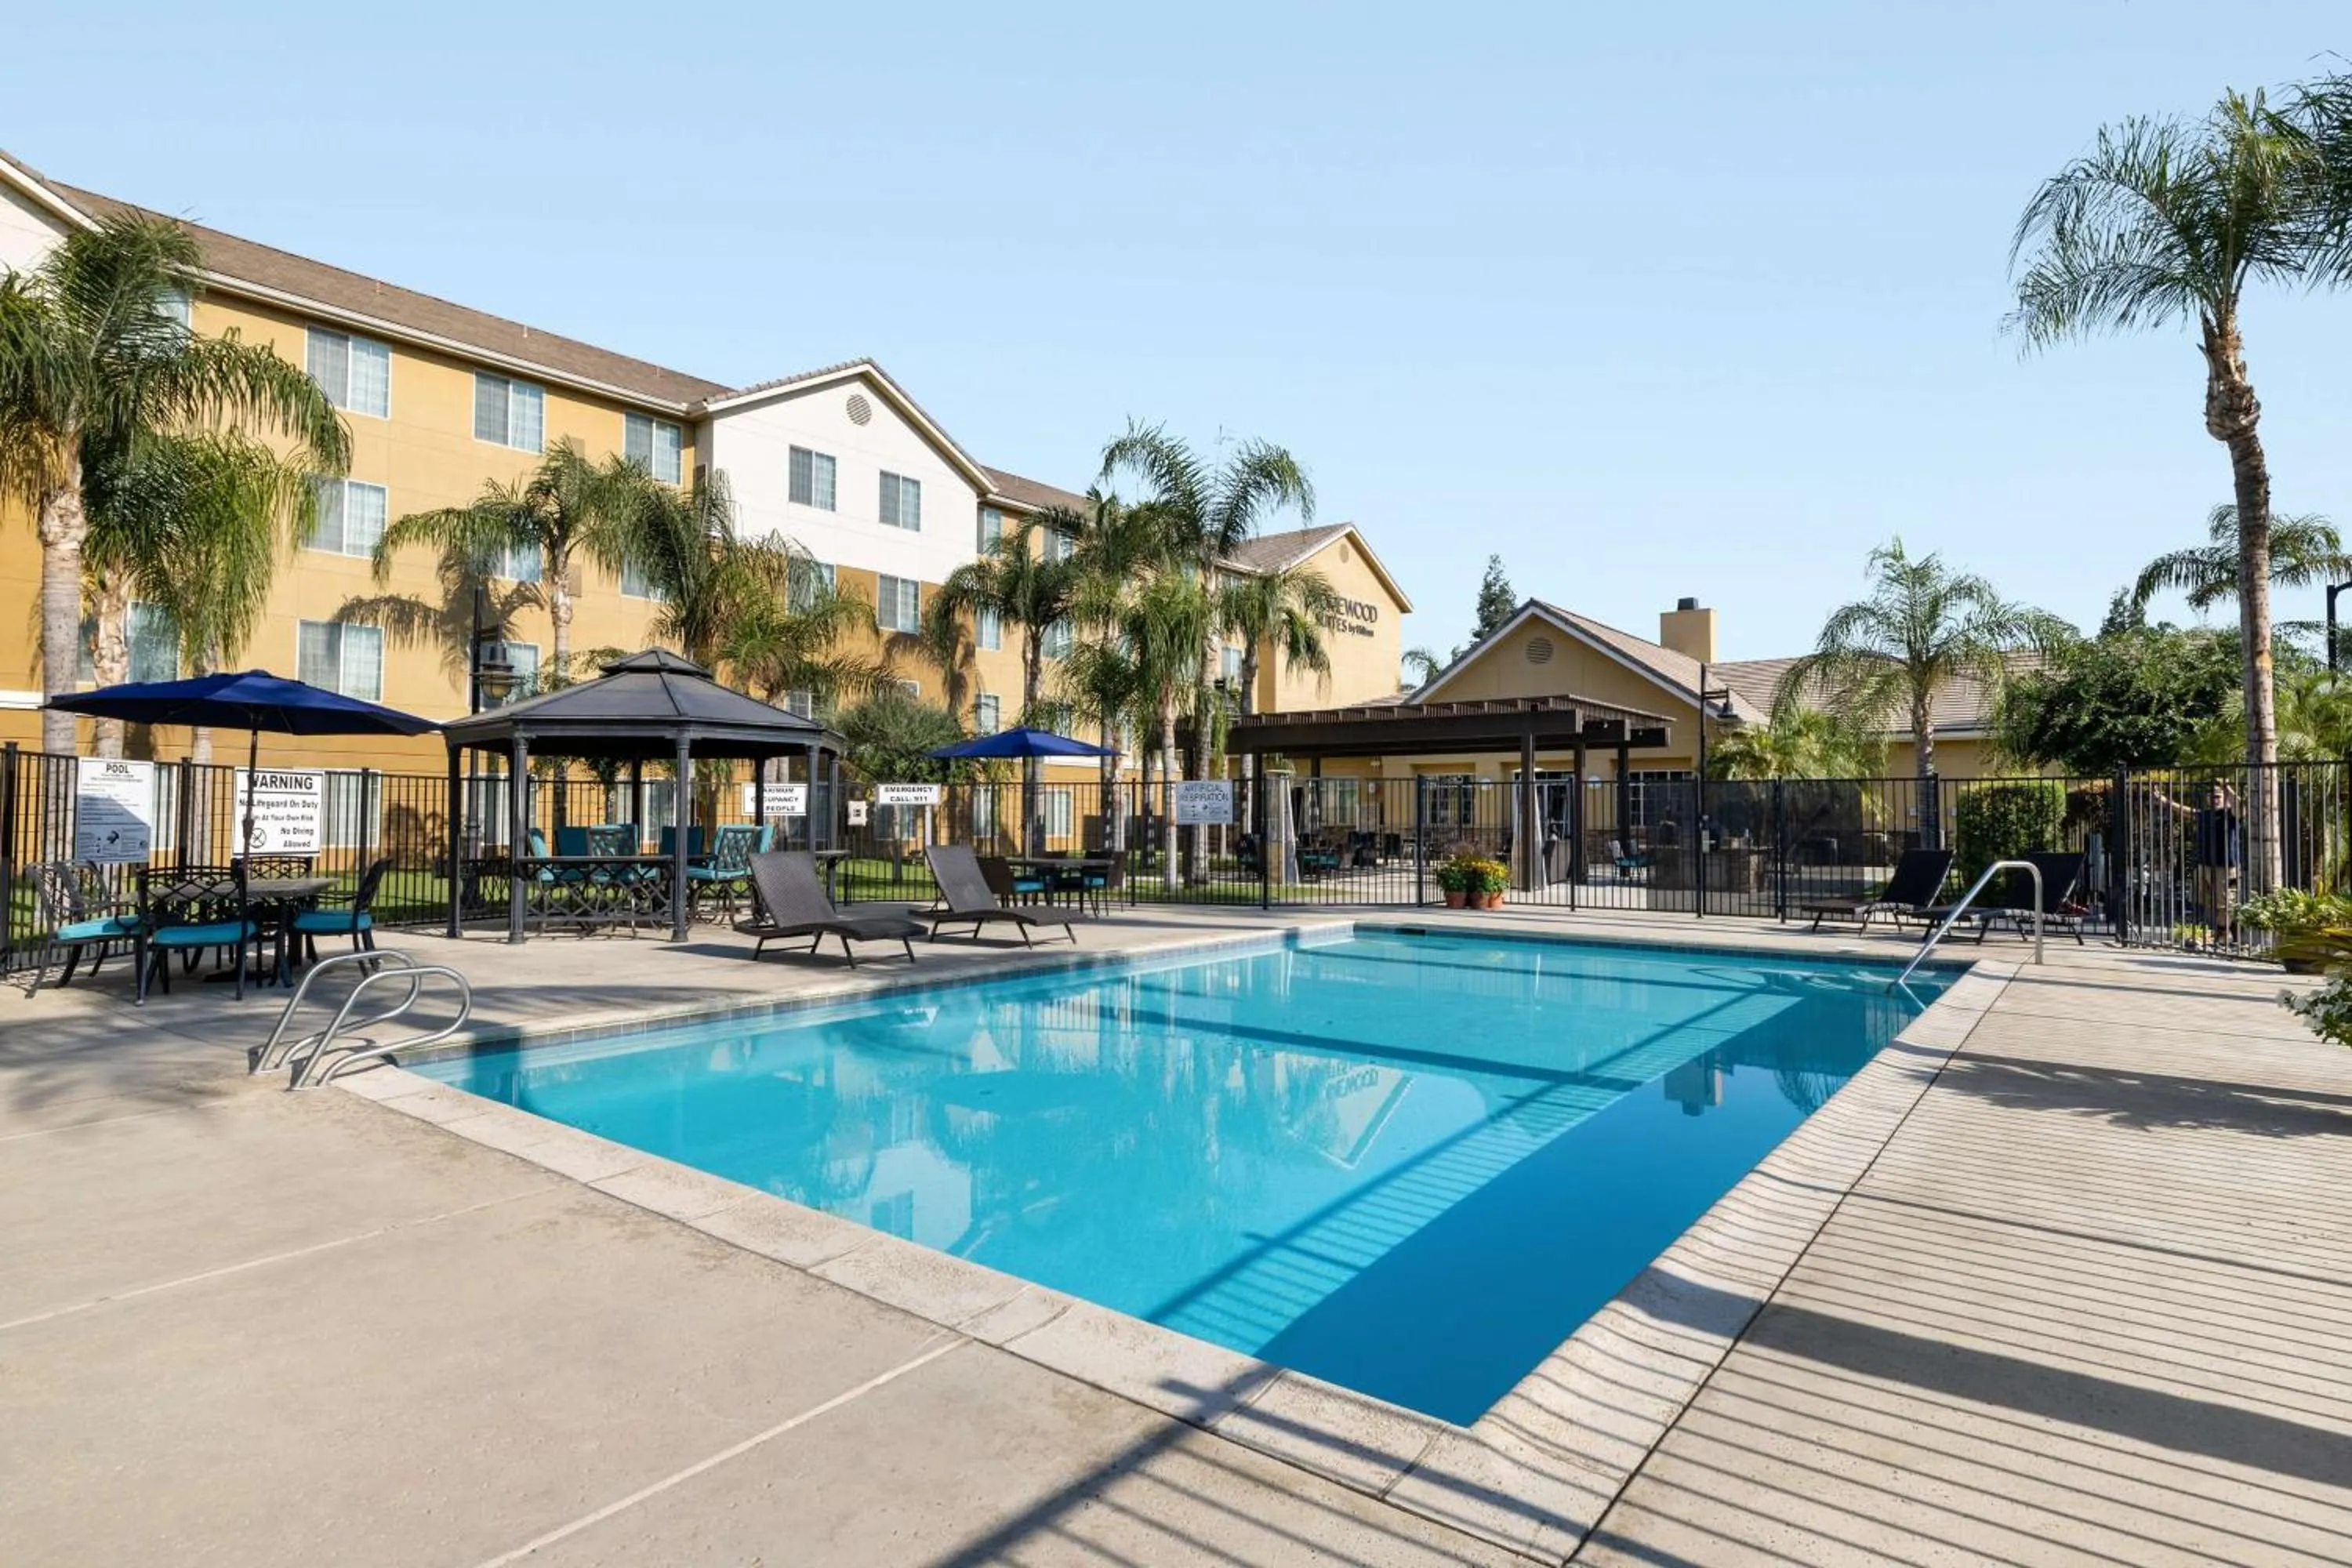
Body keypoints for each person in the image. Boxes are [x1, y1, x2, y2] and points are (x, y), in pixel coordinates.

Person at [2192, 782, 2241, 943]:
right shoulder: (2205, 815)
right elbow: (2188, 812)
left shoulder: (2231, 814)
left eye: (2218, 797)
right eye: (2212, 797)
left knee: (2226, 902)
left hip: (2225, 865)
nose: (2215, 800)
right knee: (2205, 899)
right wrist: (2166, 802)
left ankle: (2224, 934)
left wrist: (2228, 788)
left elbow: (2241, 806)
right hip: (2205, 863)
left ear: (2225, 798)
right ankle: (2223, 931)